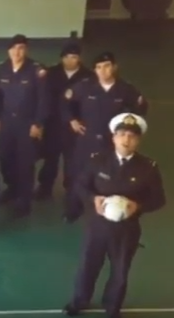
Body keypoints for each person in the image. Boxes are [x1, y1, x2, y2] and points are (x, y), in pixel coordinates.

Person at [62, 113, 166, 318]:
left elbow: (159, 200)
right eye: (122, 134)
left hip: (127, 230)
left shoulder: (148, 167)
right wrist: (93, 199)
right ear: (114, 137)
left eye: (132, 136)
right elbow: (80, 185)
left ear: (138, 140)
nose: (126, 140)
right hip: (97, 226)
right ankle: (80, 300)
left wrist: (138, 206)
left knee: (120, 271)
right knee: (88, 266)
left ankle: (112, 307)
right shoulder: (98, 160)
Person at [61, 52, 147, 223]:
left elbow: (140, 110)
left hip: (111, 143)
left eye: (107, 66)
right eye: (99, 67)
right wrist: (72, 120)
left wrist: (127, 133)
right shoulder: (85, 86)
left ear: (114, 67)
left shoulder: (125, 89)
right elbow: (65, 102)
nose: (103, 71)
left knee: (109, 177)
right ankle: (73, 209)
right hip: (87, 140)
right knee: (78, 175)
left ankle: (109, 208)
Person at [0, 34, 48, 217]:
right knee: (6, 157)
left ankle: (24, 200)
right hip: (7, 122)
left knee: (25, 162)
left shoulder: (36, 71)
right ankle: (11, 188)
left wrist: (38, 123)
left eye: (21, 48)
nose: (17, 52)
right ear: (8, 50)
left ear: (26, 50)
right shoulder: (2, 69)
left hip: (27, 123)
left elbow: (43, 100)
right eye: (14, 48)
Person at [35, 42, 94, 201]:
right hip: (53, 124)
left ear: (79, 58)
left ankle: (71, 190)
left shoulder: (88, 76)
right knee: (50, 158)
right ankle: (45, 187)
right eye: (66, 57)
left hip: (75, 126)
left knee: (72, 161)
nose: (70, 61)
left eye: (74, 57)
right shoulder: (52, 73)